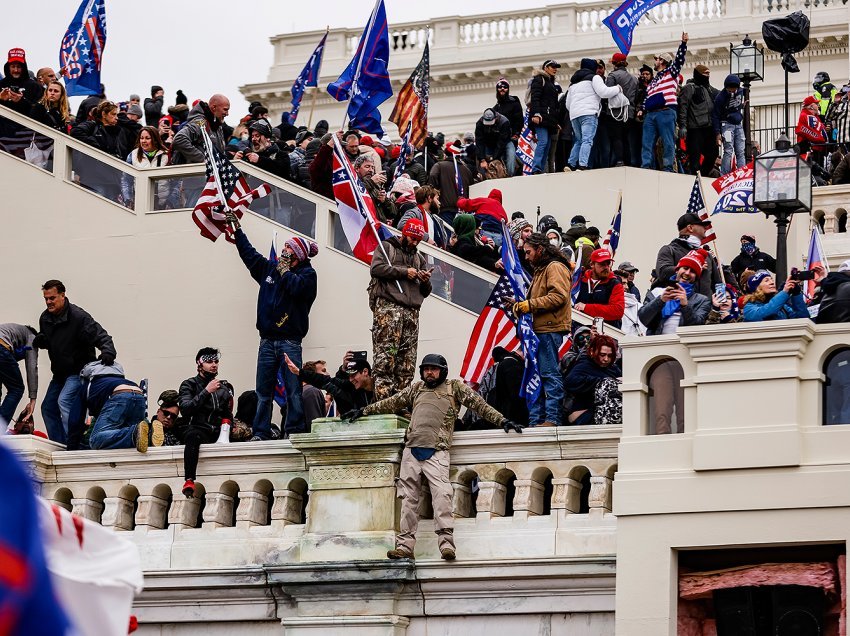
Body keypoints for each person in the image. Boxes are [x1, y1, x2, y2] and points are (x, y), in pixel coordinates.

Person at [345, 354, 523, 560]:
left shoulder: (454, 387)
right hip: (411, 451)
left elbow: (480, 405)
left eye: (434, 369)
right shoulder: (416, 388)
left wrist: (502, 421)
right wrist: (363, 411)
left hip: (437, 451)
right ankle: (404, 547)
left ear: (443, 371)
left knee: (442, 498)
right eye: (426, 369)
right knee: (408, 501)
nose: (429, 372)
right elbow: (391, 403)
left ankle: (447, 545)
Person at [229, 215, 318, 439]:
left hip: (290, 341)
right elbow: (250, 256)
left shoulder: (308, 275)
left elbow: (297, 290)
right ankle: (261, 431)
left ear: (298, 255)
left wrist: (285, 271)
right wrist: (238, 231)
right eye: (285, 246)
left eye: (289, 247)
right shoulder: (270, 269)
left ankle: (295, 430)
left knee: (293, 390)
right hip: (267, 339)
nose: (284, 250)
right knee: (263, 391)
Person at [37, 280, 115, 449]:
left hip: (78, 370)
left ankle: (75, 442)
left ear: (63, 295)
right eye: (46, 299)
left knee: (64, 401)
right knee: (47, 408)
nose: (48, 302)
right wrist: (43, 341)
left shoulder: (79, 317)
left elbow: (101, 335)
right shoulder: (45, 318)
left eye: (52, 298)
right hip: (59, 374)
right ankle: (60, 445)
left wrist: (108, 351)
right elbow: (49, 339)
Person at [369, 218, 433, 400]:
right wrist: (405, 272)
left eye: (418, 240)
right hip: (389, 308)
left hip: (412, 312)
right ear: (404, 234)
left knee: (407, 362)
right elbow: (376, 268)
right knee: (385, 357)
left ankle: (400, 402)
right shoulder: (387, 248)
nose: (415, 243)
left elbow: (426, 292)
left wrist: (425, 280)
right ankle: (383, 400)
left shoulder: (419, 258)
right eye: (413, 239)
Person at [513, 233, 572, 427]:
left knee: (548, 374)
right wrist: (518, 305)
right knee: (535, 376)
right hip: (539, 331)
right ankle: (536, 420)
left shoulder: (554, 267)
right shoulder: (541, 270)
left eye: (529, 252)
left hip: (548, 330)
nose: (527, 256)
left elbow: (558, 297)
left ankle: (552, 419)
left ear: (540, 249)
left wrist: (528, 305)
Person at [179, 348, 235, 497]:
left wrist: (229, 426)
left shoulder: (223, 389)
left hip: (217, 432)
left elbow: (227, 414)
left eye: (216, 361)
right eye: (209, 361)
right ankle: (189, 480)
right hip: (197, 429)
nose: (214, 365)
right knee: (192, 437)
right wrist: (206, 391)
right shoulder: (189, 384)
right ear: (199, 363)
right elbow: (185, 409)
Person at [639, 33, 689, 172]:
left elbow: (679, 60)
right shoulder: (654, 80)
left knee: (668, 142)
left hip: (666, 111)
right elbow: (648, 95)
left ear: (662, 61)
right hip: (651, 114)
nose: (654, 62)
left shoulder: (671, 72)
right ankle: (646, 166)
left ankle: (668, 168)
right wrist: (642, 109)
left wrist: (683, 44)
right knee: (647, 143)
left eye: (656, 59)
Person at [81, 360, 156, 452]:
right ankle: (150, 433)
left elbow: (74, 419)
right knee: (137, 438)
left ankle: (134, 433)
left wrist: (72, 448)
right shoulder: (118, 378)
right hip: (139, 394)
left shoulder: (89, 383)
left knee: (95, 439)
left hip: (120, 394)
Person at [564, 58, 622, 171]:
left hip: (574, 115)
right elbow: (604, 92)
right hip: (589, 113)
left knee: (578, 141)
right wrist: (617, 88)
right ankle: (582, 165)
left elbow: (567, 104)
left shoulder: (573, 83)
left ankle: (570, 164)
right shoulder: (594, 78)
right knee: (587, 140)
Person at [638, 249, 711, 335]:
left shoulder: (702, 300)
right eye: (685, 268)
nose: (687, 273)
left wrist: (685, 306)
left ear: (696, 278)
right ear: (677, 270)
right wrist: (660, 300)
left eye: (693, 271)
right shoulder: (657, 292)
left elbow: (698, 327)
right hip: (657, 344)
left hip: (684, 346)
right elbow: (643, 319)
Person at [655, 213, 722, 298]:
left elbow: (718, 285)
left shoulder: (707, 256)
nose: (705, 228)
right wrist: (692, 266)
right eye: (702, 225)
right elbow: (662, 273)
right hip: (680, 307)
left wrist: (722, 304)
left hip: (706, 309)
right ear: (690, 228)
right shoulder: (669, 250)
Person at [563, 334, 622, 425]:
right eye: (602, 355)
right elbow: (570, 381)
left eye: (609, 356)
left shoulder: (613, 369)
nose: (606, 359)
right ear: (592, 351)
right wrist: (602, 382)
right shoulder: (584, 364)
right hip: (583, 416)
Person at [679, 65, 719, 176]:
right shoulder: (689, 88)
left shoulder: (710, 89)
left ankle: (703, 174)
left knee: (713, 154)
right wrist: (683, 126)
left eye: (708, 74)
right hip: (694, 129)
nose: (708, 76)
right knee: (694, 157)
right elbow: (683, 107)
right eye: (705, 73)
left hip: (709, 128)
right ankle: (695, 177)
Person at [121, 127, 173, 210]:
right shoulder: (133, 155)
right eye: (141, 138)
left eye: (147, 138)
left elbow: (176, 181)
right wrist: (128, 199)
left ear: (155, 139)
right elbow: (126, 180)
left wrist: (171, 202)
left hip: (162, 206)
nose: (143, 141)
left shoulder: (166, 156)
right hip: (140, 204)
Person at [171, 94, 230, 164]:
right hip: (196, 173)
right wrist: (203, 159)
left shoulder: (217, 126)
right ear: (214, 107)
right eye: (225, 109)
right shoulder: (201, 122)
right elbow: (179, 139)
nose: (227, 114)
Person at [574, 248, 626, 329]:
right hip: (580, 332)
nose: (606, 267)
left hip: (607, 334)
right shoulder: (580, 281)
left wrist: (586, 308)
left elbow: (617, 311)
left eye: (608, 264)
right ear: (592, 264)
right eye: (602, 264)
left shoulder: (615, 284)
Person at [71, 100, 139, 160]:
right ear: (104, 114)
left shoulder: (119, 131)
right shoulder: (92, 125)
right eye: (113, 114)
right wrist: (94, 144)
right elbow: (75, 132)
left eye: (117, 115)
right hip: (94, 169)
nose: (117, 118)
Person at [0, 324, 38, 431]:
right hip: (1, 347)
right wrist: (32, 399)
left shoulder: (13, 330)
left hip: (2, 347)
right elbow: (31, 367)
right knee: (16, 389)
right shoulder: (32, 337)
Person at [528, 60, 563, 174]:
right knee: (543, 141)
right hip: (541, 118)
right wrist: (536, 114)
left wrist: (555, 122)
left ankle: (540, 169)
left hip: (548, 119)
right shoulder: (539, 79)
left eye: (556, 67)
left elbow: (553, 105)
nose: (555, 69)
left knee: (547, 145)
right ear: (545, 68)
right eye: (552, 66)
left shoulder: (551, 83)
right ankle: (536, 168)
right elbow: (535, 98)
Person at [606, 53, 639, 167]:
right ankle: (628, 162)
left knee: (617, 137)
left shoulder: (612, 76)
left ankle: (619, 160)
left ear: (614, 63)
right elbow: (636, 96)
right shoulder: (634, 79)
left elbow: (607, 93)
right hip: (629, 113)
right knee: (625, 138)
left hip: (616, 112)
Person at [741, 271, 809, 322]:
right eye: (766, 280)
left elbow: (803, 319)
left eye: (771, 279)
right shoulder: (748, 308)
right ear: (757, 288)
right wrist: (784, 292)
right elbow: (765, 312)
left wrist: (796, 294)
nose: (772, 282)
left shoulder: (783, 307)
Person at [713, 74, 746, 175]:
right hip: (726, 125)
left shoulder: (741, 91)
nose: (732, 92)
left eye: (733, 89)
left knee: (740, 151)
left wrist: (742, 106)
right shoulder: (720, 97)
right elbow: (715, 115)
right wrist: (717, 133)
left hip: (737, 124)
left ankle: (742, 173)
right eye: (729, 90)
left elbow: (743, 96)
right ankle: (725, 174)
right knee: (728, 150)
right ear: (726, 87)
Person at [428, 154, 473, 224]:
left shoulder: (439, 165)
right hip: (463, 211)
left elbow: (432, 176)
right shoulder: (467, 170)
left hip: (444, 209)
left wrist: (433, 193)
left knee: (446, 234)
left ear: (445, 156)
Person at [493, 78, 524, 175]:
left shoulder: (514, 103)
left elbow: (519, 119)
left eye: (505, 87)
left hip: (510, 138)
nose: (502, 89)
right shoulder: (495, 108)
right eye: (500, 87)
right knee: (501, 158)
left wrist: (516, 133)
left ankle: (511, 175)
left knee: (510, 156)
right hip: (499, 139)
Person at [0, 48, 43, 115]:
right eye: (13, 66)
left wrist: (21, 101)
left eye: (19, 67)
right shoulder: (1, 84)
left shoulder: (34, 86)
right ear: (8, 67)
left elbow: (40, 112)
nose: (16, 70)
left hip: (26, 124)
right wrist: (1, 98)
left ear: (24, 67)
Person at [474, 108, 512, 173]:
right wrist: (482, 160)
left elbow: (501, 143)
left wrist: (494, 158)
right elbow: (479, 142)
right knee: (483, 162)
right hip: (488, 143)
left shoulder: (504, 122)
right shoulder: (479, 123)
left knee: (511, 155)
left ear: (495, 118)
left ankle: (510, 174)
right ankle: (486, 176)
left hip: (505, 142)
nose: (489, 125)